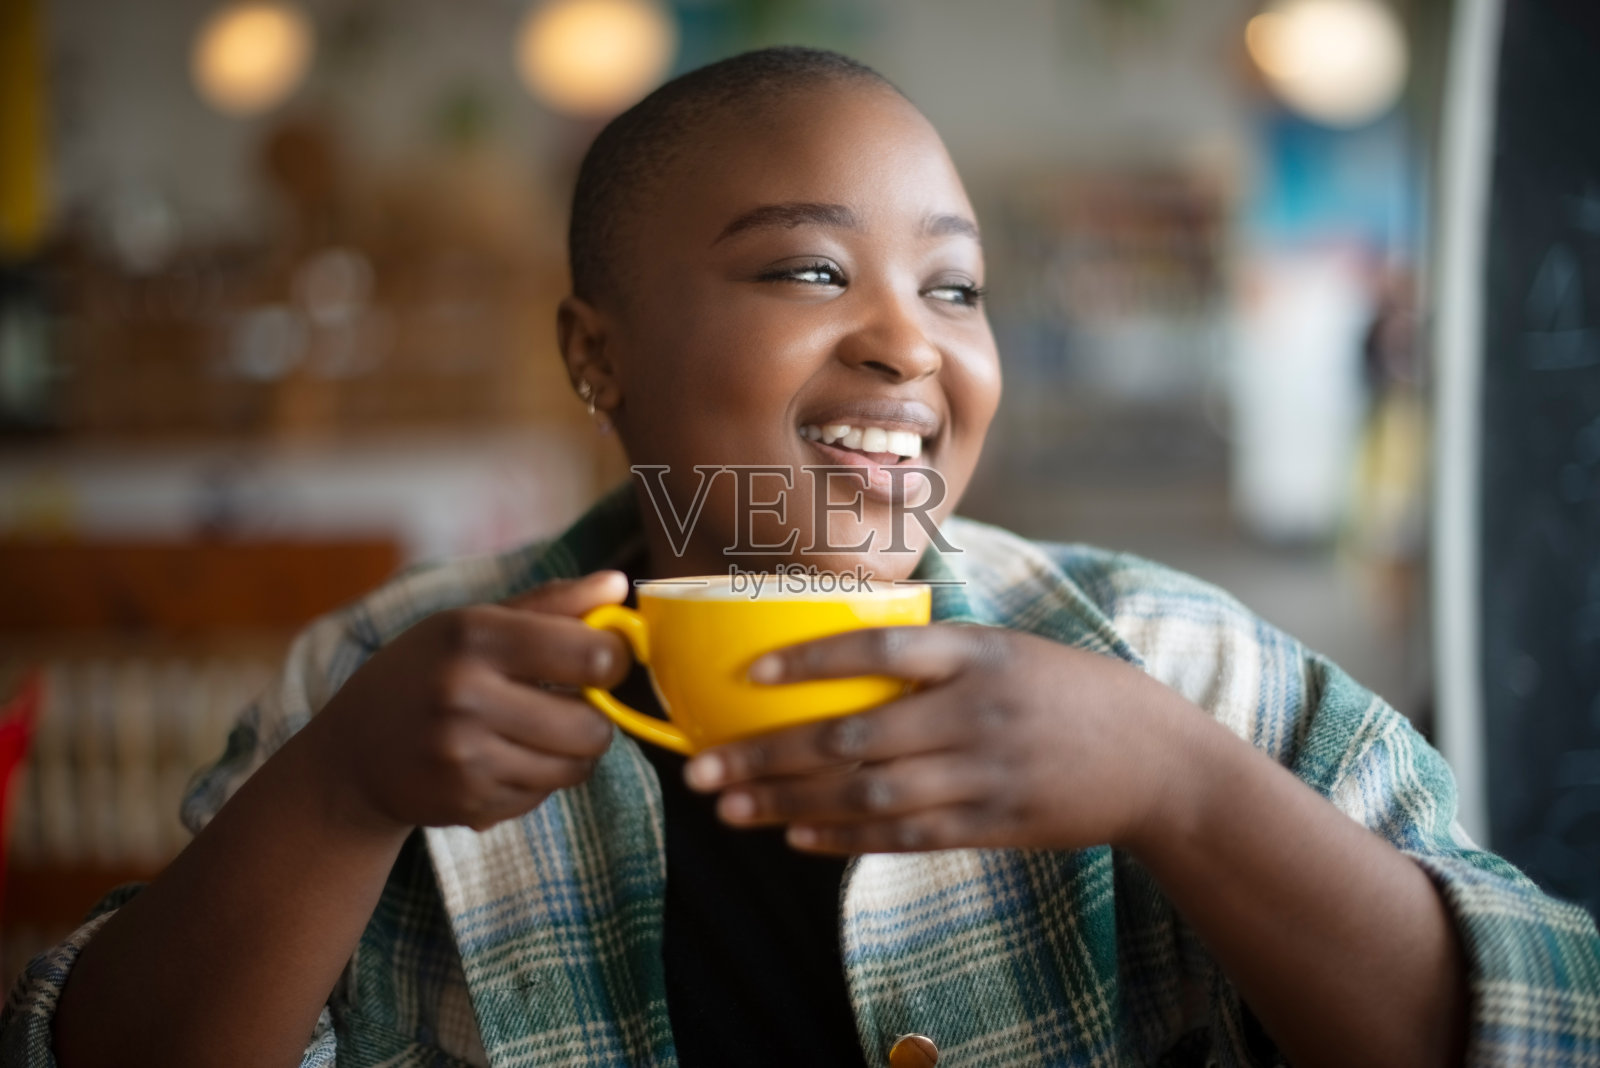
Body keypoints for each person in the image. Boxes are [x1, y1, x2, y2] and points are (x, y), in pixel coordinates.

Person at [8, 47, 1599, 1068]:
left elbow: (1543, 1018)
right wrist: (342, 797)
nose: (910, 343)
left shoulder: (1171, 669)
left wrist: (1181, 787)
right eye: (810, 269)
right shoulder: (379, 687)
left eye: (957, 291)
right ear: (597, 353)